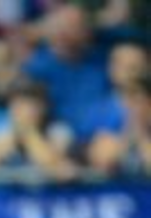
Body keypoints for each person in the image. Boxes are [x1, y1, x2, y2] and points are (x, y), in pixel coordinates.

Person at [22, 4, 111, 141]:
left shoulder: (100, 62)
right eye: (73, 27)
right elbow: (28, 110)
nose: (83, 31)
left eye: (83, 26)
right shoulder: (38, 67)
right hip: (56, 136)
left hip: (100, 135)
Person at [0, 78, 79, 180]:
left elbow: (53, 165)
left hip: (47, 190)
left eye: (30, 105)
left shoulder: (59, 131)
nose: (23, 111)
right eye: (17, 104)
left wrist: (29, 135)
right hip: (10, 190)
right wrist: (12, 139)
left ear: (43, 108)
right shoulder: (0, 131)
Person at [88, 71, 151, 175]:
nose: (130, 105)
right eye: (128, 97)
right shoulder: (111, 124)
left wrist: (141, 134)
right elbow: (101, 159)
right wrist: (127, 136)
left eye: (136, 98)